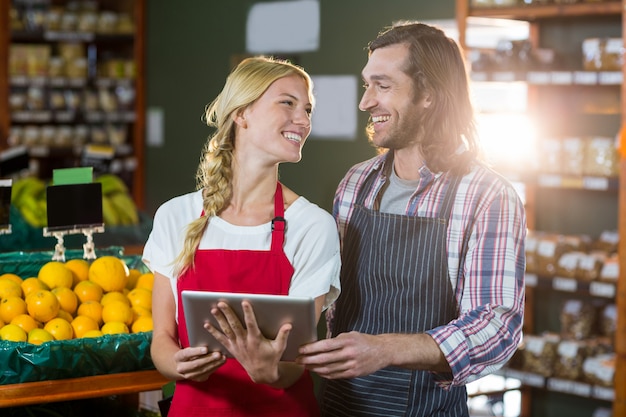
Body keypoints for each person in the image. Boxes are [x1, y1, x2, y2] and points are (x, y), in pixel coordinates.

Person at [296, 21, 526, 416]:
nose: (366, 102)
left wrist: (385, 350)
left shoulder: (486, 195)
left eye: (382, 86)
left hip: (427, 408)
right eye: (366, 85)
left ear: (430, 95)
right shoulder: (355, 183)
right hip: (338, 405)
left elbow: (496, 327)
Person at [142, 56, 341, 417]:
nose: (304, 120)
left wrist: (271, 371)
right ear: (242, 113)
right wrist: (178, 364)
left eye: (308, 109)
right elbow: (162, 342)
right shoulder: (176, 216)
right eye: (288, 103)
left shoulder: (313, 225)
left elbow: (294, 362)